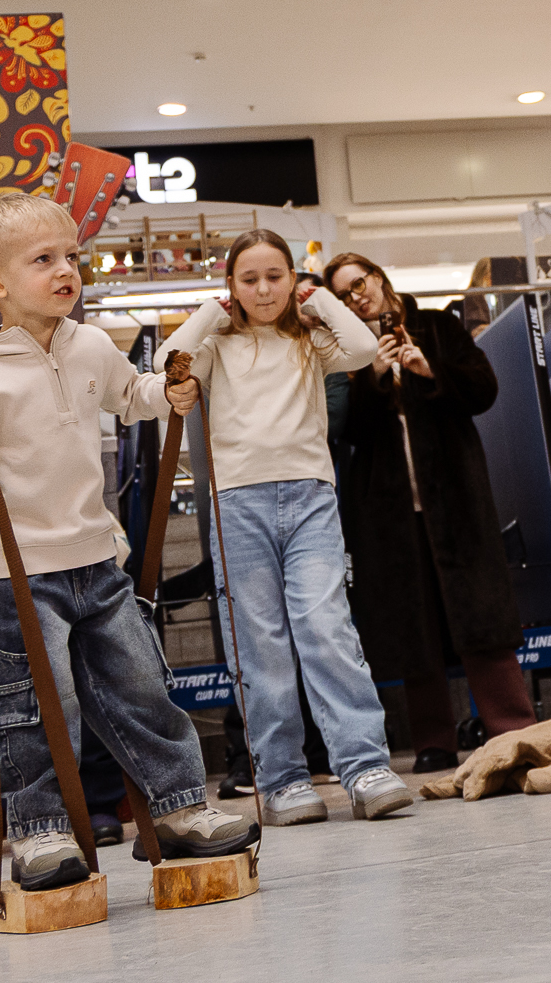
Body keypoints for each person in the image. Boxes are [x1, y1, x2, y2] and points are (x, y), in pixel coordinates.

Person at [0, 193, 259, 890]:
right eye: (43, 259)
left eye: (72, 256)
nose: (65, 270)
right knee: (35, 704)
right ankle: (39, 829)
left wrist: (167, 395)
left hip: (97, 559)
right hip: (16, 575)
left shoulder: (90, 345)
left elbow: (132, 396)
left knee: (141, 685)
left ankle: (178, 805)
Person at [162, 230, 415, 825]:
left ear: (293, 280)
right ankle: (282, 780)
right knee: (261, 645)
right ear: (231, 285)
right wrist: (211, 310)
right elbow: (166, 361)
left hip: (311, 500)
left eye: (275, 277)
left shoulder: (311, 340)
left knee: (327, 627)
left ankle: (365, 766)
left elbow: (362, 347)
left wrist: (318, 297)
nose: (263, 290)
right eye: (248, 279)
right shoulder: (217, 345)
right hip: (237, 504)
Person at [322, 253, 535, 775]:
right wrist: (373, 375)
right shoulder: (348, 351)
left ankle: (512, 728)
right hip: (389, 512)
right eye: (344, 295)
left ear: (379, 277)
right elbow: (346, 433)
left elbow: (484, 390)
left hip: (457, 499)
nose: (356, 298)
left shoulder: (438, 325)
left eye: (359, 284)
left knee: (481, 613)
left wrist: (428, 368)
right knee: (413, 622)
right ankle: (433, 742)